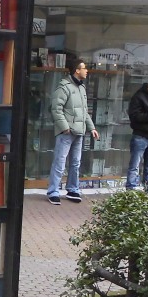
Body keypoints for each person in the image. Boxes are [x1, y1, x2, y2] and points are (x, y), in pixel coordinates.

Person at [47, 59, 98, 205]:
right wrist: (65, 127)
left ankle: (72, 189)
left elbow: (84, 112)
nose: (86, 70)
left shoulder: (81, 88)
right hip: (67, 132)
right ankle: (53, 191)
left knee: (75, 163)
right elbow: (56, 109)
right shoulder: (64, 87)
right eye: (84, 68)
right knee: (60, 162)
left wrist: (92, 128)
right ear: (77, 70)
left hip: (79, 132)